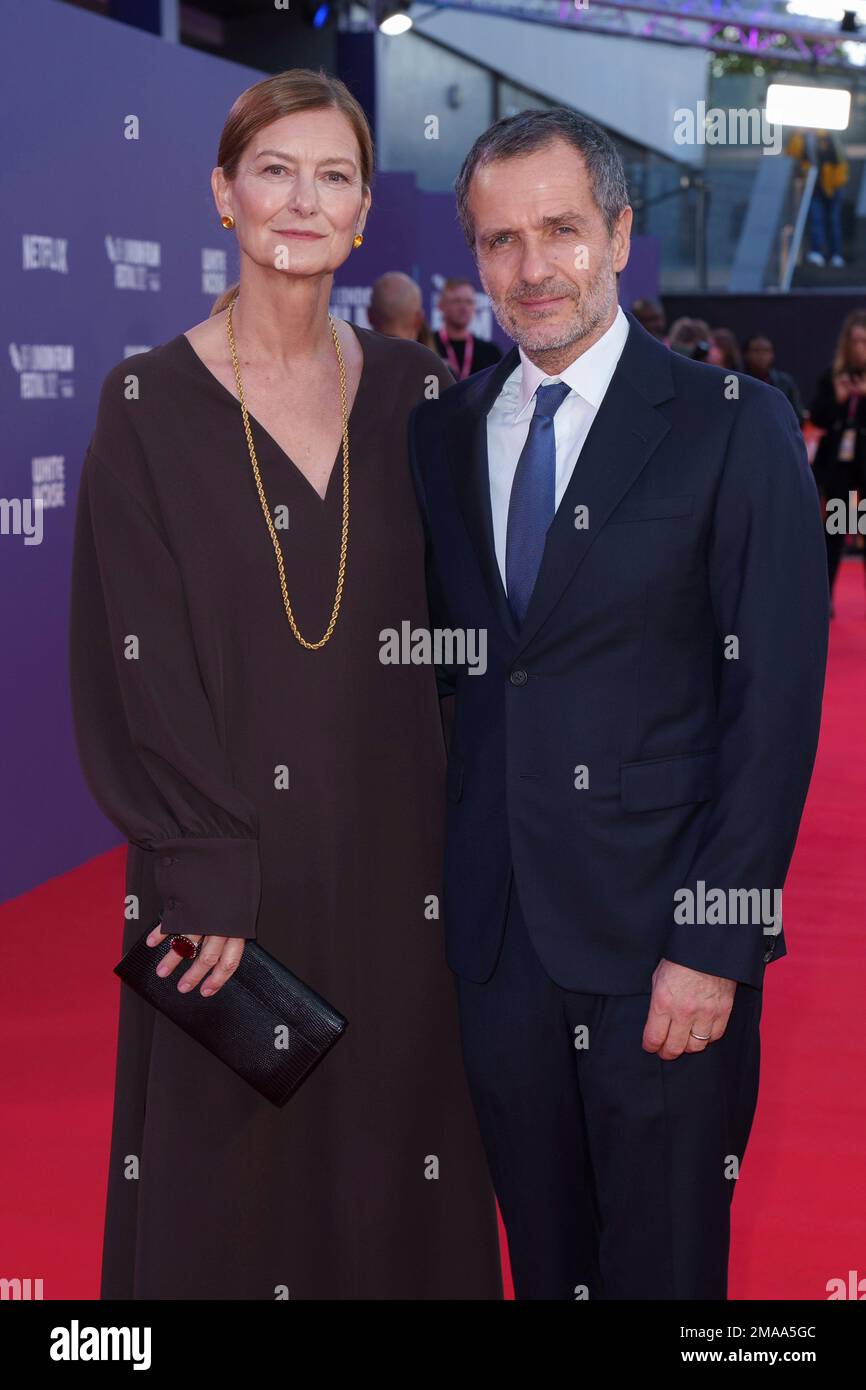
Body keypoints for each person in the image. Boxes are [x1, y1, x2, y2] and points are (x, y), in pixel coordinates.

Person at [68, 67, 502, 1301]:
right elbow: (128, 663)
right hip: (227, 884)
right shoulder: (146, 403)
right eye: (274, 170)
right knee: (227, 1187)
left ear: (365, 213)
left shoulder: (422, 395)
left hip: (401, 868)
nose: (301, 202)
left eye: (333, 177)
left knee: (397, 1172)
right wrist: (203, 862)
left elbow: (470, 645)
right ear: (223, 193)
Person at [409, 106, 829, 1300]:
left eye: (560, 230)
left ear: (620, 235)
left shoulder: (728, 427)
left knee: (664, 1273)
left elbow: (774, 709)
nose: (531, 269)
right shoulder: (439, 433)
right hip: (498, 948)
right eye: (498, 241)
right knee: (544, 1267)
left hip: (662, 946)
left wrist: (712, 941)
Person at [809, 308, 866, 605]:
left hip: (863, 467)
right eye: (856, 340)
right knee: (836, 530)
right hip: (838, 470)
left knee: (864, 528)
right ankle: (825, 596)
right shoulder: (832, 377)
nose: (860, 347)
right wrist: (840, 400)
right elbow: (817, 417)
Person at [786, 128, 849, 269]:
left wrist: (838, 182)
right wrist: (798, 135)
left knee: (833, 220)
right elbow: (792, 155)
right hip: (813, 185)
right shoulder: (799, 137)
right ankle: (817, 252)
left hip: (833, 184)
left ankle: (836, 255)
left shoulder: (828, 134)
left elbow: (839, 159)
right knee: (816, 219)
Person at [433, 277, 502, 378]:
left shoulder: (491, 353)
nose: (463, 307)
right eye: (456, 301)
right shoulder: (428, 345)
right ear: (441, 305)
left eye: (469, 302)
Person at [743, 333, 806, 426]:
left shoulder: (785, 382)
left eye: (766, 351)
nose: (761, 355)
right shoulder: (739, 382)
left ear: (772, 354)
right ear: (746, 354)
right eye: (756, 350)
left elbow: (798, 416)